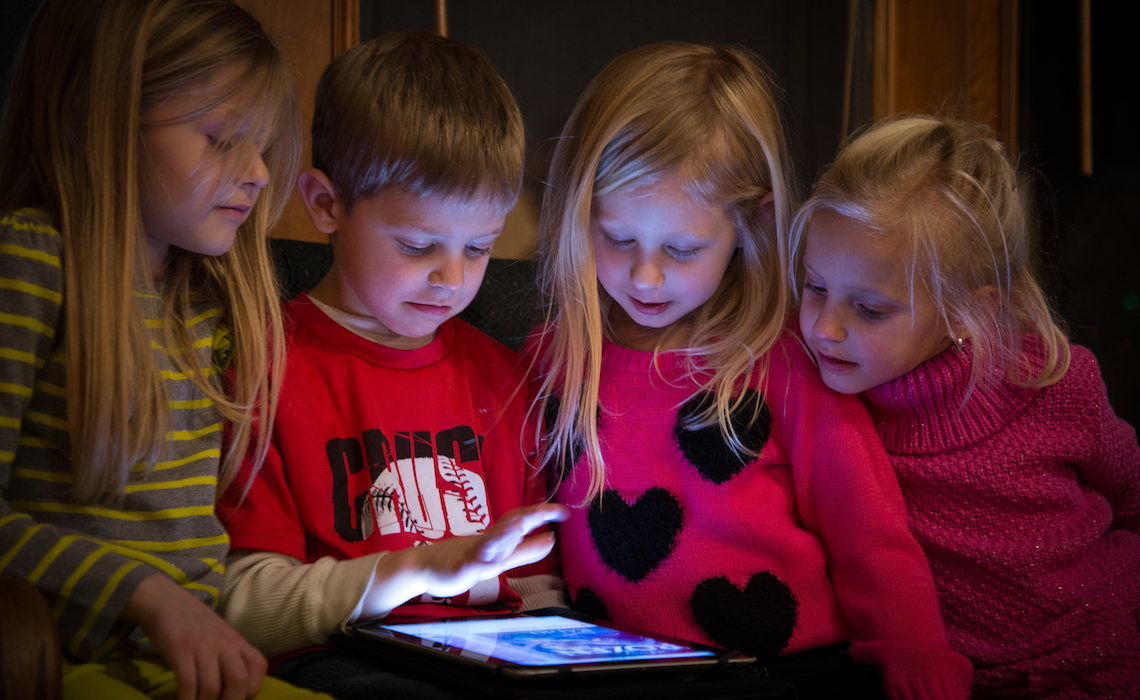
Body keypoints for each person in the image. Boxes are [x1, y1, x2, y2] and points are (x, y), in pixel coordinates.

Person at [529, 42, 972, 700]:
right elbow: (530, 518)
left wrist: (915, 650)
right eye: (617, 238)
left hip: (786, 672)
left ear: (750, 223)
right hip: (612, 668)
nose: (645, 275)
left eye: (682, 249)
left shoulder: (788, 359)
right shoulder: (555, 357)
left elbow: (868, 526)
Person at [215, 31, 568, 700]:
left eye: (481, 247)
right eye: (417, 244)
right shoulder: (266, 369)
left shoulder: (505, 378)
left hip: (494, 657)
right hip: (340, 659)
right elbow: (243, 605)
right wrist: (417, 570)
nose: (452, 277)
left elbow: (534, 587)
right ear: (325, 205)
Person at [0, 1, 331, 698]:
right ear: (104, 120)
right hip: (60, 658)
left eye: (263, 146)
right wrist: (146, 595)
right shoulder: (32, 260)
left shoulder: (207, 301)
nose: (260, 174)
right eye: (219, 139)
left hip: (190, 663)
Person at [793, 115, 1140, 698]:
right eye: (815, 287)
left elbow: (1131, 496)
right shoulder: (817, 400)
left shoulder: (1057, 384)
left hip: (1094, 668)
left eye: (870, 310)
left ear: (964, 312)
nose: (825, 327)